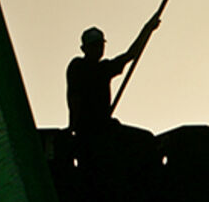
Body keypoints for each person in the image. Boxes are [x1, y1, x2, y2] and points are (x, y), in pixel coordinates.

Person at [66, 13, 160, 154]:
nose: (98, 49)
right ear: (84, 48)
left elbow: (130, 54)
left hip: (103, 126)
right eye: (94, 46)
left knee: (145, 139)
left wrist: (147, 29)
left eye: (100, 45)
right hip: (91, 129)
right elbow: (74, 98)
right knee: (143, 140)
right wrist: (72, 126)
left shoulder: (104, 68)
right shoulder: (79, 67)